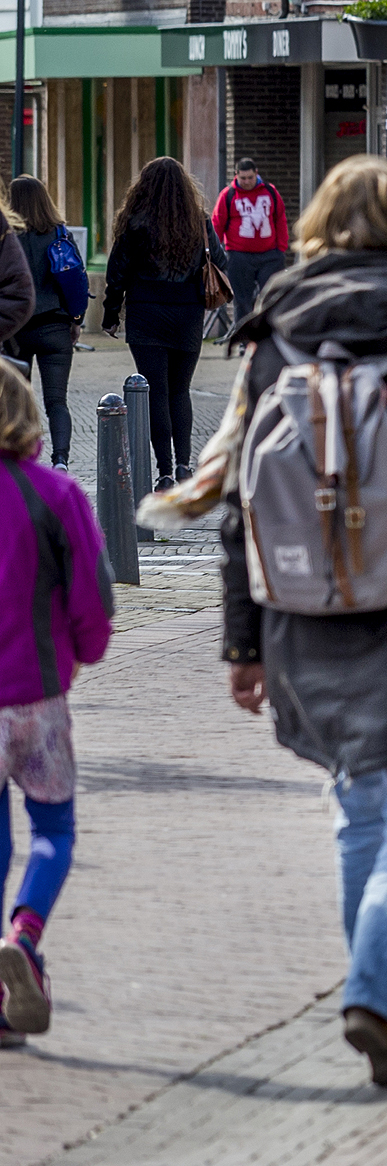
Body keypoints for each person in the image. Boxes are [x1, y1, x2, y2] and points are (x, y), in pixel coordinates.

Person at [211, 157, 387, 1088]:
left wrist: (242, 643)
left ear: (316, 225)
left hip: (299, 607)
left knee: (359, 807)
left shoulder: (272, 335)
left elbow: (239, 500)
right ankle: (375, 993)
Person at [0, 363, 108, 1047]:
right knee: (52, 829)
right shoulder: (57, 494)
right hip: (35, 694)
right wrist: (84, 650)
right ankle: (24, 932)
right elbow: (92, 597)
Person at [100, 158, 218, 489]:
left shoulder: (134, 222)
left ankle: (164, 472)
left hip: (146, 315)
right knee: (180, 391)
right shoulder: (198, 222)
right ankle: (184, 466)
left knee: (155, 393)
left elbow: (117, 273)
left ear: (144, 187)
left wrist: (110, 315)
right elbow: (219, 260)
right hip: (188, 315)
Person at [4, 183, 65, 469]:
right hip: (55, 326)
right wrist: (75, 320)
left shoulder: (9, 236)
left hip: (17, 330)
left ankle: (23, 455)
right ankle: (61, 459)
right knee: (57, 401)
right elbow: (73, 279)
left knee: (16, 397)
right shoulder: (58, 233)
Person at [210, 159, 292, 335]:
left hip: (270, 255)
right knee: (242, 301)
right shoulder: (228, 195)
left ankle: (270, 334)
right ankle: (244, 337)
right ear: (236, 176)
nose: (246, 182)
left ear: (256, 173)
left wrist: (281, 249)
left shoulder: (270, 192)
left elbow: (280, 219)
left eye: (250, 177)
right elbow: (217, 224)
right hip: (239, 256)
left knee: (272, 296)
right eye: (243, 178)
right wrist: (216, 253)